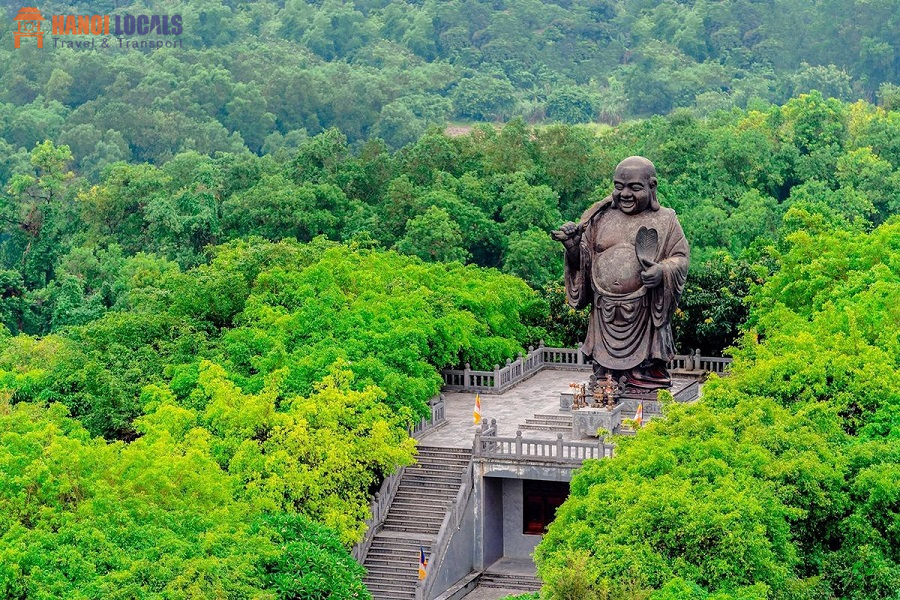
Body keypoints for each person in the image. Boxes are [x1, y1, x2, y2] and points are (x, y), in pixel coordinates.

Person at [551, 156, 689, 390]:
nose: (625, 194)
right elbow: (584, 261)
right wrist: (572, 247)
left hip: (643, 311)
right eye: (619, 186)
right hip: (603, 310)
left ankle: (641, 374)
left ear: (652, 186)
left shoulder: (666, 219)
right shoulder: (600, 217)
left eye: (634, 188)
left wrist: (662, 271)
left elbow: (680, 258)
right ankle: (608, 375)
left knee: (644, 373)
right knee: (604, 377)